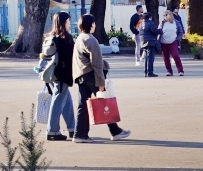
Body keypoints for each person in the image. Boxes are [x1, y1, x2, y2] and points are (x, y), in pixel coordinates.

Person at [73, 13, 130, 143]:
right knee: (105, 102)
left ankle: (80, 134)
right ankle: (115, 131)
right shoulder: (91, 40)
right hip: (92, 75)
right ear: (91, 25)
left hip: (81, 75)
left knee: (83, 105)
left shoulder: (80, 38)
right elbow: (97, 64)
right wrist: (101, 83)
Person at [40, 11, 76, 141]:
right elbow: (71, 57)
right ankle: (52, 131)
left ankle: (72, 128)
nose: (69, 23)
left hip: (53, 73)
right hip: (63, 74)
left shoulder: (51, 38)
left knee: (66, 101)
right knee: (58, 102)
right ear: (63, 22)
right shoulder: (65, 39)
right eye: (68, 21)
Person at [160, 10, 184, 76]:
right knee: (166, 57)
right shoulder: (162, 23)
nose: (164, 16)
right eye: (164, 15)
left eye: (166, 15)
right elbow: (159, 30)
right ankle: (169, 71)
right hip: (163, 42)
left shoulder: (176, 22)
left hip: (173, 41)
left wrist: (177, 39)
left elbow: (180, 31)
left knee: (175, 55)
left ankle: (180, 70)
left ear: (170, 15)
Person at [141, 12, 162, 77]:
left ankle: (146, 72)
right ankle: (150, 72)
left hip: (143, 42)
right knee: (150, 58)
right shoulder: (150, 23)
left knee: (146, 58)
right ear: (149, 17)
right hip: (150, 42)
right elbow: (155, 31)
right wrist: (161, 30)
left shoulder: (141, 23)